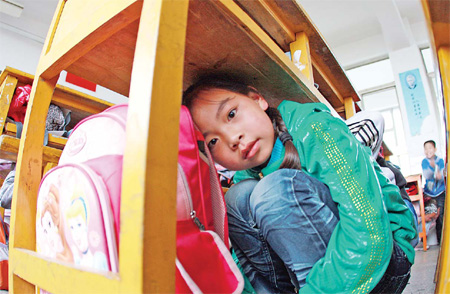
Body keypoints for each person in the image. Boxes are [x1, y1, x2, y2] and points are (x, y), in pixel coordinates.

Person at [183, 75, 416, 293]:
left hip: (383, 260)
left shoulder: (316, 129)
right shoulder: (246, 177)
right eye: (213, 141)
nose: (232, 139)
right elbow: (242, 266)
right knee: (237, 198)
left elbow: (371, 235)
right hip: (318, 280)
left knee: (274, 190)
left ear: (258, 99)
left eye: (231, 114)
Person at [422, 139, 445, 244]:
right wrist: (433, 169)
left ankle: (441, 240)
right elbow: (428, 175)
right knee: (429, 215)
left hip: (440, 192)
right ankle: (424, 238)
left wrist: (438, 172)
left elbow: (440, 177)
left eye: (430, 148)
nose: (428, 151)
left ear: (435, 149)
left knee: (441, 216)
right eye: (426, 149)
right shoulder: (424, 162)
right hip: (429, 194)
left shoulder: (440, 161)